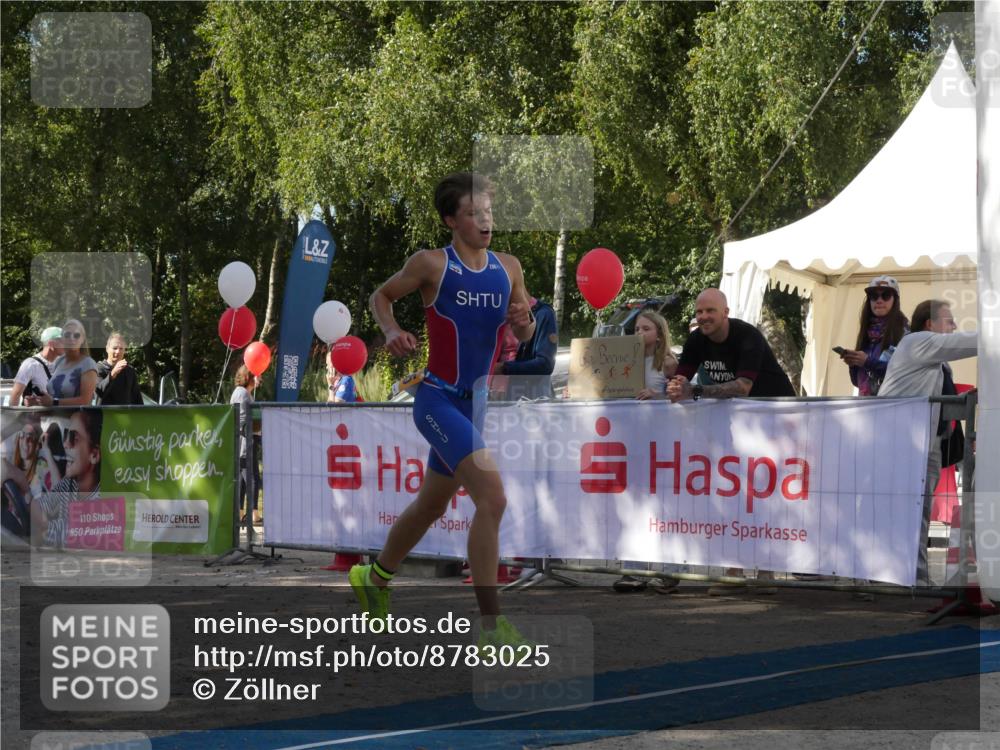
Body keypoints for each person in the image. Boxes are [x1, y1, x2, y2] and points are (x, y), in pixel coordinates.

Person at [355, 172, 536, 651]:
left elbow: (525, 331)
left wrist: (525, 322)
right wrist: (391, 330)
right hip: (436, 399)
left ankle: (374, 578)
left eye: (490, 213)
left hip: (475, 407)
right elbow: (381, 296)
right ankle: (493, 629)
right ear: (452, 219)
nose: (485, 221)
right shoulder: (432, 264)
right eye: (475, 213)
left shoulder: (509, 267)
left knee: (432, 505)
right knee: (493, 499)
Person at [668, 289, 794, 595]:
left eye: (710, 311)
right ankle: (732, 572)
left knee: (764, 494)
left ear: (726, 311)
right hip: (735, 424)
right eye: (699, 313)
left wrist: (694, 392)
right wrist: (674, 387)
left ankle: (767, 574)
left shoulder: (747, 335)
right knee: (731, 493)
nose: (703, 317)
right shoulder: (697, 339)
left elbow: (743, 386)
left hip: (774, 419)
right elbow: (682, 379)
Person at [879, 299, 977, 585]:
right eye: (948, 321)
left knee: (920, 509)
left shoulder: (933, 358)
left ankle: (916, 576)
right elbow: (968, 342)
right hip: (902, 440)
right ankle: (899, 576)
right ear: (929, 324)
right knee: (903, 508)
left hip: (925, 441)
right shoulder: (918, 342)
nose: (954, 326)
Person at [31, 409, 102, 549]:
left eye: (74, 438)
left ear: (94, 455)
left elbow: (65, 537)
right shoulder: (70, 483)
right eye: (66, 435)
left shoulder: (102, 499)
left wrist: (42, 526)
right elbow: (37, 505)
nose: (65, 444)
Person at [839, 275, 909, 395]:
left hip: (893, 405)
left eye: (886, 295)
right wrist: (853, 364)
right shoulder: (867, 332)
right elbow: (857, 382)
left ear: (895, 300)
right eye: (874, 296)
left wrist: (867, 362)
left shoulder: (905, 333)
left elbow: (904, 374)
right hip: (867, 405)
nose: (879, 300)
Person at [493, 297, 558, 400]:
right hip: (494, 398)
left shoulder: (543, 313)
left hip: (531, 400)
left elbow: (545, 364)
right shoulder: (491, 310)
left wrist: (502, 368)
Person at [27, 319, 98, 408]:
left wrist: (54, 402)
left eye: (76, 335)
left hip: (76, 419)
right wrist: (38, 401)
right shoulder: (59, 361)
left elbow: (85, 401)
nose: (71, 338)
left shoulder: (88, 364)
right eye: (67, 335)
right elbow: (53, 397)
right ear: (62, 339)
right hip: (54, 418)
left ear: (82, 339)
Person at [2, 414, 43, 536]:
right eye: (22, 436)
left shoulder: (42, 471)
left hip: (27, 534)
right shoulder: (11, 464)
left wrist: (26, 496)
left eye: (30, 437)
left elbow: (42, 516)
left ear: (37, 444)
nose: (25, 441)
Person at [230, 366, 261, 525]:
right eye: (256, 375)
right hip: (246, 443)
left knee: (244, 479)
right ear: (249, 377)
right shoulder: (242, 394)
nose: (259, 378)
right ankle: (253, 513)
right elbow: (243, 420)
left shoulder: (242, 392)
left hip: (244, 442)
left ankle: (241, 512)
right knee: (253, 477)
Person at [9, 327, 62, 406]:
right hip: (34, 417)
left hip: (60, 417)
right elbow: (15, 396)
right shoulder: (30, 364)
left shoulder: (63, 364)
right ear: (51, 344)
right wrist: (14, 417)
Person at [95, 332, 143, 405]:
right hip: (104, 415)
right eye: (115, 348)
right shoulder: (98, 368)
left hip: (126, 415)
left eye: (121, 348)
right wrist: (112, 374)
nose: (118, 352)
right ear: (107, 349)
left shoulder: (129, 371)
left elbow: (137, 399)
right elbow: (99, 392)